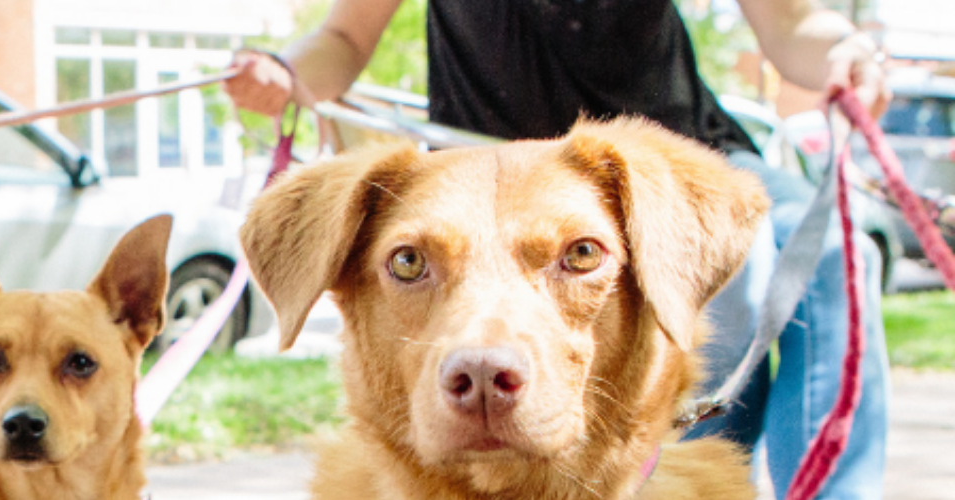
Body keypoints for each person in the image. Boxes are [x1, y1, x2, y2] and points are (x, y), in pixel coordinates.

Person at [223, 0, 893, 498]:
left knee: (836, 250)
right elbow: (343, 36)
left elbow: (791, 24)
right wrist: (287, 70)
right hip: (476, 167)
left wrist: (846, 51)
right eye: (406, 264)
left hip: (662, 155)